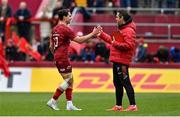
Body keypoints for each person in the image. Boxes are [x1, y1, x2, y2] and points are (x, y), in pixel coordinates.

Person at [46, 9, 101, 111]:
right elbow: (79, 40)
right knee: (69, 80)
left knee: (70, 80)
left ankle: (69, 104)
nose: (71, 18)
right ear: (64, 17)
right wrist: (93, 33)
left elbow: (50, 46)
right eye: (70, 16)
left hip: (58, 57)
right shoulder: (65, 29)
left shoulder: (54, 29)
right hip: (62, 58)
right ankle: (53, 100)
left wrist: (56, 55)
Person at [97, 10, 138, 111]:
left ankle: (133, 105)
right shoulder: (122, 30)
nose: (115, 19)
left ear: (122, 18)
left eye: (117, 17)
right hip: (117, 60)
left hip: (122, 61)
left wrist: (115, 44)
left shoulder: (128, 31)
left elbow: (129, 45)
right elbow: (112, 40)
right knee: (117, 83)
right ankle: (118, 106)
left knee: (125, 82)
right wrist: (101, 34)